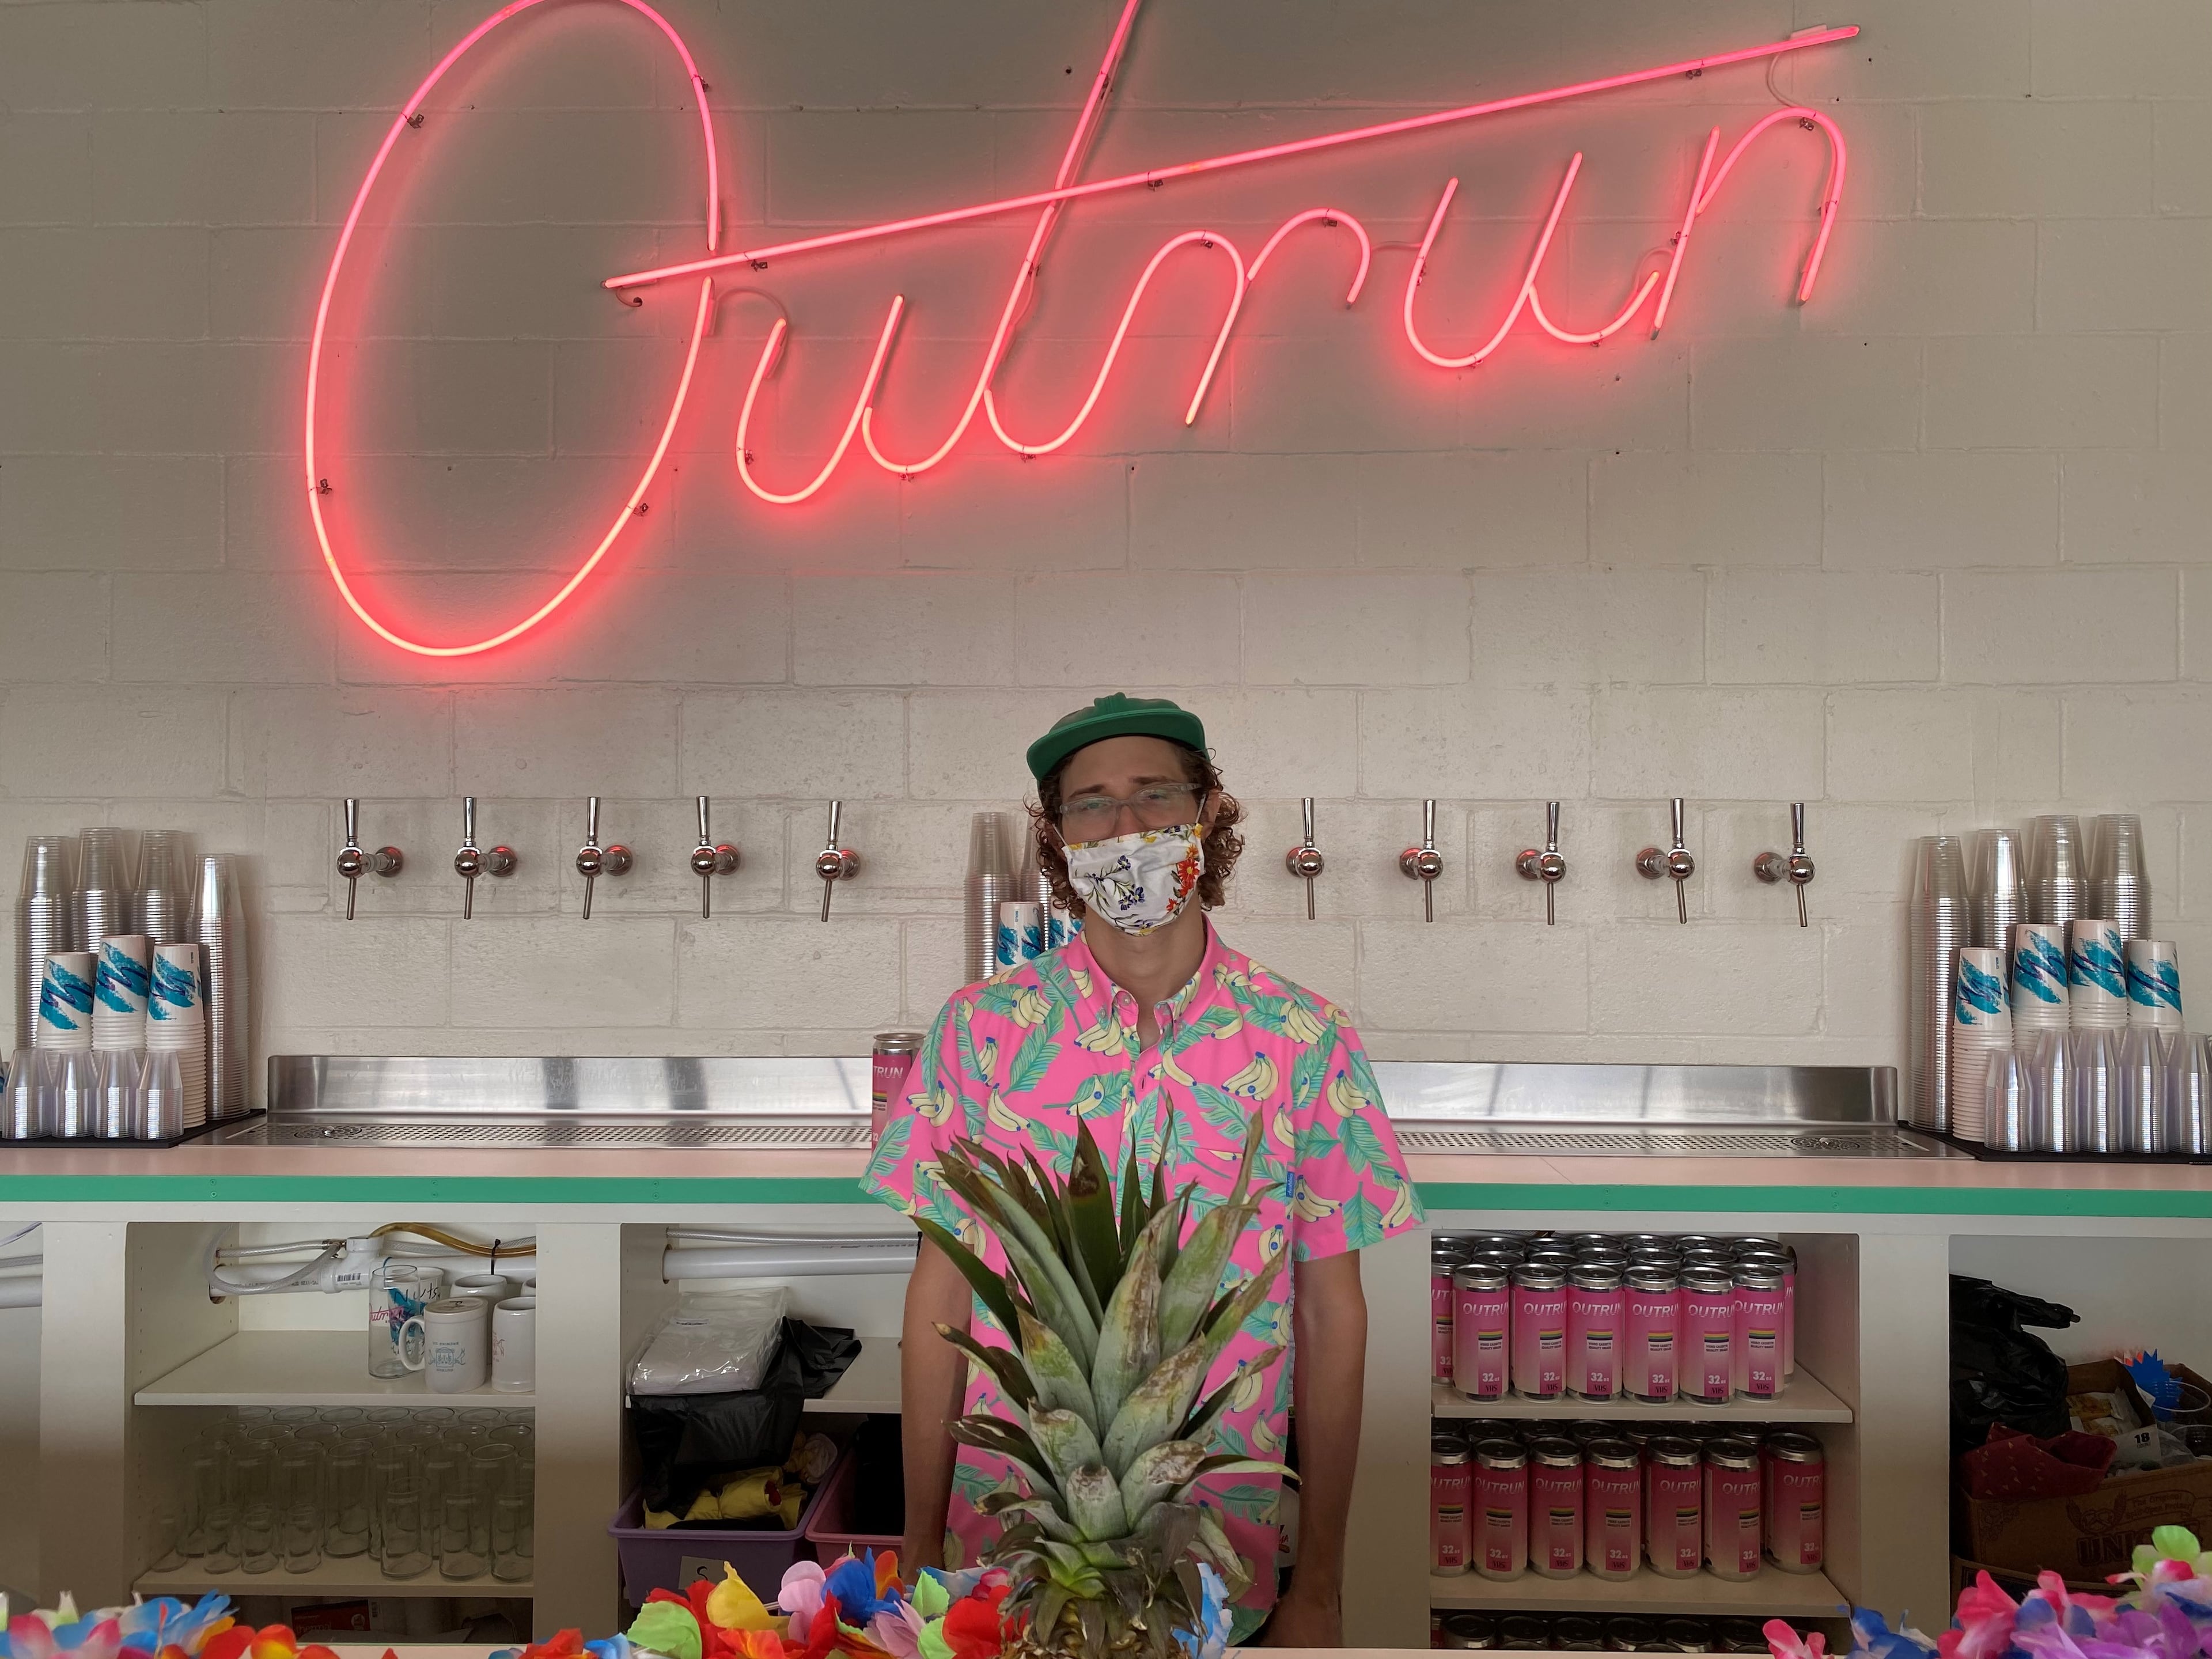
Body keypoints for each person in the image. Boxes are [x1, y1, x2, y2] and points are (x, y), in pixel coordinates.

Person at [863, 693, 1423, 1646]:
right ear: (1057, 836)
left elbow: (1333, 1313)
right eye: (1092, 804)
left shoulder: (1304, 1039)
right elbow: (941, 1304)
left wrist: (1322, 1582)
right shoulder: (981, 1033)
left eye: (1155, 795)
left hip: (1223, 1556)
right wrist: (917, 1545)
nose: (1126, 827)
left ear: (1207, 812)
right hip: (1006, 1555)